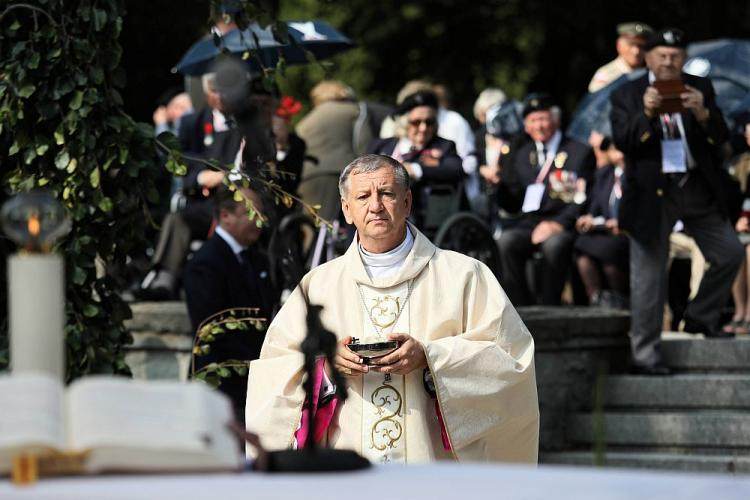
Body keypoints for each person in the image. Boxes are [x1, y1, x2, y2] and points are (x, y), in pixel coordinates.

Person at [245, 154, 539, 463]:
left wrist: (430, 358)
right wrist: (326, 367)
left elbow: (512, 361)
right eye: (362, 196)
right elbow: (274, 374)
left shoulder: (464, 275)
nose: (375, 206)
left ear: (407, 202)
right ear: (346, 209)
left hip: (433, 469)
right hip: (348, 464)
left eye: (386, 193)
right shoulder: (317, 285)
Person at [610, 28, 743, 375]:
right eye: (662, 55)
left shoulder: (702, 86)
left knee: (729, 252)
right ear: (648, 57)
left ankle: (700, 316)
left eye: (675, 55)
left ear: (684, 57)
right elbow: (624, 142)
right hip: (653, 194)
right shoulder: (628, 92)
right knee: (648, 278)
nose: (669, 61)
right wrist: (647, 115)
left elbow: (722, 139)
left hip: (697, 187)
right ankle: (645, 355)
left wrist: (703, 115)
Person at [137, 72, 243, 300]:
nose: (221, 96)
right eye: (215, 91)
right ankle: (165, 276)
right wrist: (199, 177)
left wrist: (224, 176)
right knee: (176, 219)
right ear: (207, 94)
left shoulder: (245, 124)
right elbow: (179, 161)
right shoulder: (192, 123)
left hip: (236, 200)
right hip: (202, 201)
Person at [184, 184, 279, 424]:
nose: (259, 220)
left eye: (260, 213)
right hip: (220, 385)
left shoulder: (257, 259)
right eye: (250, 213)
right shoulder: (205, 263)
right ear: (225, 216)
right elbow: (212, 328)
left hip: (251, 383)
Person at [496, 93, 595, 306]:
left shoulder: (579, 152)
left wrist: (558, 224)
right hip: (530, 222)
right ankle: (521, 308)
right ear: (526, 126)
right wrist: (499, 182)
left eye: (543, 119)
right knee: (506, 242)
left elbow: (583, 198)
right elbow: (513, 199)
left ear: (556, 120)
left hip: (564, 222)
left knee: (554, 245)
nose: (539, 126)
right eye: (533, 121)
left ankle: (549, 306)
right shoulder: (523, 154)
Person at [369, 90, 464, 231]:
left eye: (429, 122)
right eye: (416, 122)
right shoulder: (382, 146)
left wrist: (415, 169)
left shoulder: (444, 146)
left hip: (420, 215)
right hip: (377, 209)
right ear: (404, 123)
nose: (423, 128)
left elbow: (455, 169)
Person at [296, 80, 373, 222]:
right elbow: (364, 145)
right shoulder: (355, 111)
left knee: (312, 225)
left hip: (308, 177)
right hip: (343, 174)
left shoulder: (305, 121)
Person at [574, 134, 629, 308]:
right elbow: (596, 205)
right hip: (604, 231)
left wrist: (622, 221)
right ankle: (596, 299)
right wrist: (589, 218)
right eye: (610, 147)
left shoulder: (636, 174)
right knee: (582, 248)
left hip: (627, 232)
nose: (614, 150)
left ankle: (619, 299)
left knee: (607, 253)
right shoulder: (606, 174)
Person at [588, 22, 653, 93]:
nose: (636, 52)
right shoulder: (605, 75)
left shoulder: (651, 73)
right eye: (631, 45)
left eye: (641, 46)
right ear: (619, 45)